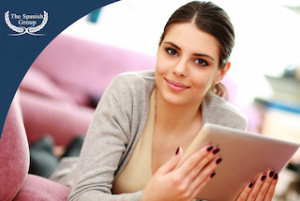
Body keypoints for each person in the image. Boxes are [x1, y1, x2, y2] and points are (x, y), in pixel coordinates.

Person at [68, 1, 278, 201]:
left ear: (221, 72)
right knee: (52, 160)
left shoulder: (229, 124)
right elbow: (81, 196)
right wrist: (149, 198)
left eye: (200, 62)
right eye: (171, 51)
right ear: (159, 49)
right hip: (70, 174)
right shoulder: (127, 91)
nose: (179, 70)